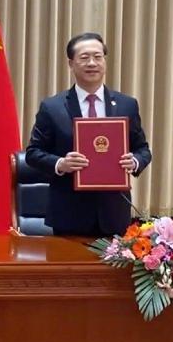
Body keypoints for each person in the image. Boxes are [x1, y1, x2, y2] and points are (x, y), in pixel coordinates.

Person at [25, 32, 151, 237]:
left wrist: (135, 161)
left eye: (98, 57)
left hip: (114, 214)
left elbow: (143, 149)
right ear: (71, 63)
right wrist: (61, 163)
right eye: (84, 58)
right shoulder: (52, 107)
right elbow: (33, 153)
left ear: (104, 61)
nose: (92, 63)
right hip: (69, 213)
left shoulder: (126, 104)